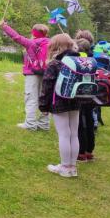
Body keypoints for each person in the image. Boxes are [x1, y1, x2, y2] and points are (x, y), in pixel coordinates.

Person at [38, 34, 81, 177]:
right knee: (74, 134)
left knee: (64, 134)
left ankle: (64, 167)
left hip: (59, 101)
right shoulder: (79, 61)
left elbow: (47, 87)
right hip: (76, 101)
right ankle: (73, 168)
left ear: (55, 47)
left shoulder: (55, 64)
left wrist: (43, 107)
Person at [0, 20, 50, 131]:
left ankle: (31, 124)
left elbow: (16, 37)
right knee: (44, 98)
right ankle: (44, 124)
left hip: (32, 73)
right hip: (47, 74)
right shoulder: (51, 43)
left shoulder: (31, 43)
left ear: (34, 33)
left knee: (31, 98)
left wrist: (5, 27)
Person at [75, 31, 96, 162]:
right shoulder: (93, 59)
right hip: (91, 94)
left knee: (80, 124)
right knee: (89, 122)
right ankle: (89, 151)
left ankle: (81, 152)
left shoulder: (78, 60)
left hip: (79, 94)